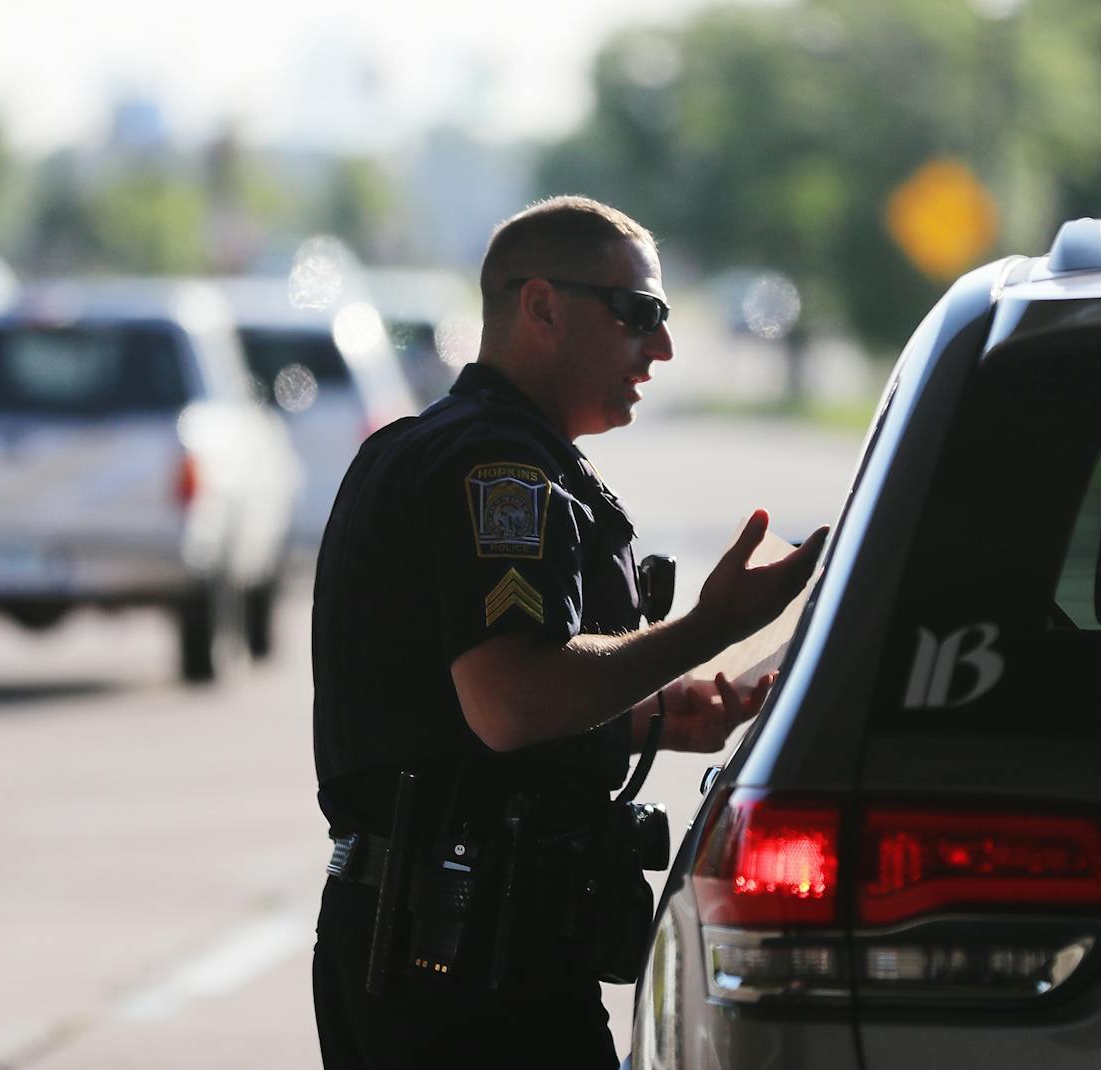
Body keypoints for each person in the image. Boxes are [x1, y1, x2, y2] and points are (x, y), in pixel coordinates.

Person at [310, 195, 829, 1068]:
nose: (659, 348)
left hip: (423, 943)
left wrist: (655, 715)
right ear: (541, 306)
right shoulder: (498, 471)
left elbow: (443, 710)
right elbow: (509, 702)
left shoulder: (424, 447)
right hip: (470, 967)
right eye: (637, 315)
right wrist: (708, 627)